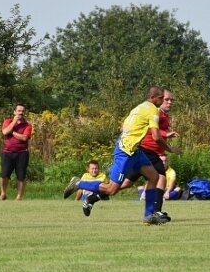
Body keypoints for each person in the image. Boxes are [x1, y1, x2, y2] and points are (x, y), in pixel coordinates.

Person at [63, 86, 170, 225]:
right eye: (161, 98)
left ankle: (149, 215)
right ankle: (79, 183)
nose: (163, 100)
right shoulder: (152, 110)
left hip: (135, 150)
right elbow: (156, 136)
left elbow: (124, 126)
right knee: (111, 189)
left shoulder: (139, 108)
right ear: (153, 97)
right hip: (125, 152)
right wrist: (170, 148)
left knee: (154, 176)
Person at [116, 89, 179, 220]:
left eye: (171, 99)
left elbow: (157, 129)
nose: (169, 102)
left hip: (150, 151)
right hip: (146, 150)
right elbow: (154, 133)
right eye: (166, 99)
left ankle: (95, 195)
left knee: (126, 184)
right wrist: (167, 141)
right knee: (160, 177)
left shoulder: (161, 114)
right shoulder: (154, 112)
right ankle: (155, 212)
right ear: (155, 98)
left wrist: (167, 133)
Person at [0, 104, 33, 201]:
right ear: (14, 112)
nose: (21, 113)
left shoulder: (27, 125)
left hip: (22, 153)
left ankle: (19, 197)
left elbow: (24, 138)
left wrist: (12, 132)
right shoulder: (7, 121)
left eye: (22, 111)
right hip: (7, 153)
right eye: (19, 111)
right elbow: (5, 132)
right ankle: (3, 193)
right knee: (4, 174)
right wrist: (13, 122)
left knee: (21, 176)